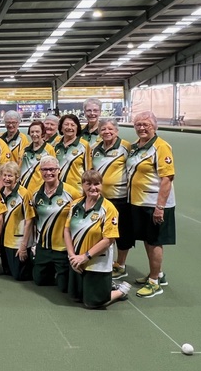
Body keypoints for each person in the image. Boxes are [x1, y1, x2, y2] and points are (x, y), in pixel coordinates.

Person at [126, 111, 176, 298]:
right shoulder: (135, 146)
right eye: (138, 124)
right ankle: (158, 274)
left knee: (155, 241)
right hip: (139, 202)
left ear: (154, 126)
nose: (141, 128)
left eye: (145, 124)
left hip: (154, 203)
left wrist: (160, 207)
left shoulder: (161, 146)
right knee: (148, 239)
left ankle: (154, 282)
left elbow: (167, 179)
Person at [64, 170, 130, 308]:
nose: (93, 188)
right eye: (88, 184)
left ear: (102, 185)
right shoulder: (75, 204)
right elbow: (67, 230)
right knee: (75, 297)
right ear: (82, 185)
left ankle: (121, 290)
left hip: (97, 262)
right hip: (76, 260)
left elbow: (109, 239)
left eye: (97, 184)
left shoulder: (109, 208)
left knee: (92, 303)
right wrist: (72, 256)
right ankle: (103, 287)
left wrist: (85, 257)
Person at [31, 156, 81, 292]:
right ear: (40, 171)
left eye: (52, 169)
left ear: (59, 170)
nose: (48, 173)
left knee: (64, 287)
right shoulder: (35, 194)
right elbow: (34, 219)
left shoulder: (71, 193)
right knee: (39, 281)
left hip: (62, 248)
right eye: (44, 170)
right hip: (44, 246)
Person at [91, 118, 132, 280]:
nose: (107, 132)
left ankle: (121, 265)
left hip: (120, 198)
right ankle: (106, 263)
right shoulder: (95, 148)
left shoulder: (126, 147)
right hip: (100, 199)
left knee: (122, 233)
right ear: (99, 132)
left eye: (110, 129)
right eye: (103, 129)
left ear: (116, 131)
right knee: (103, 233)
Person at [0, 162, 34, 281]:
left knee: (19, 276)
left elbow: (29, 220)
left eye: (10, 176)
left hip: (17, 241)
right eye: (4, 175)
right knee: (7, 272)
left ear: (17, 177)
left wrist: (23, 246)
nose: (6, 178)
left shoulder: (24, 194)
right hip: (4, 240)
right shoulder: (0, 192)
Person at [54, 114, 92, 194]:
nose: (69, 127)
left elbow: (88, 170)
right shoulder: (55, 144)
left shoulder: (84, 145)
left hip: (77, 190)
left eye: (72, 125)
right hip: (57, 190)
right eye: (66, 124)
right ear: (61, 128)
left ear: (77, 128)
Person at [19, 120, 55, 194]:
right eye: (32, 132)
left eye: (37, 132)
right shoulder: (25, 149)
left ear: (42, 133)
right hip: (23, 190)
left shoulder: (49, 149)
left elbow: (54, 171)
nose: (34, 134)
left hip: (39, 191)